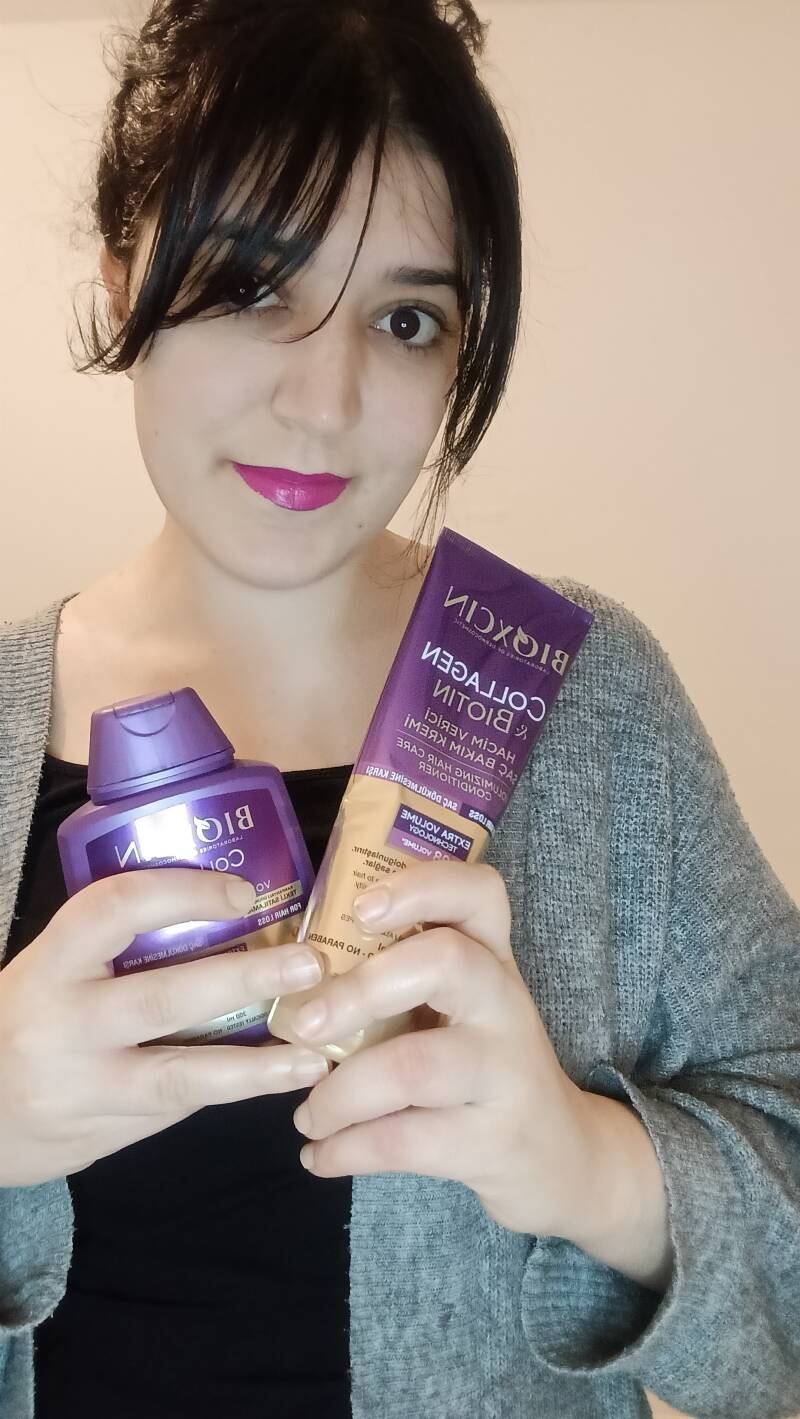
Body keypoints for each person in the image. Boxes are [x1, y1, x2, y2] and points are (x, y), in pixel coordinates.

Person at [1, 2, 799, 1416]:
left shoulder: (587, 698)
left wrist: (588, 1166)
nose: (327, 401)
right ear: (124, 282)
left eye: (407, 319)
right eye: (253, 287)